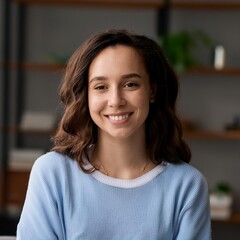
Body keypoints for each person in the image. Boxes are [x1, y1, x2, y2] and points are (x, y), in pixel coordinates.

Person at [17, 29, 211, 240]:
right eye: (101, 87)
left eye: (130, 84)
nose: (115, 100)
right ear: (86, 95)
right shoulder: (52, 174)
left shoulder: (187, 186)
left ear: (152, 90)